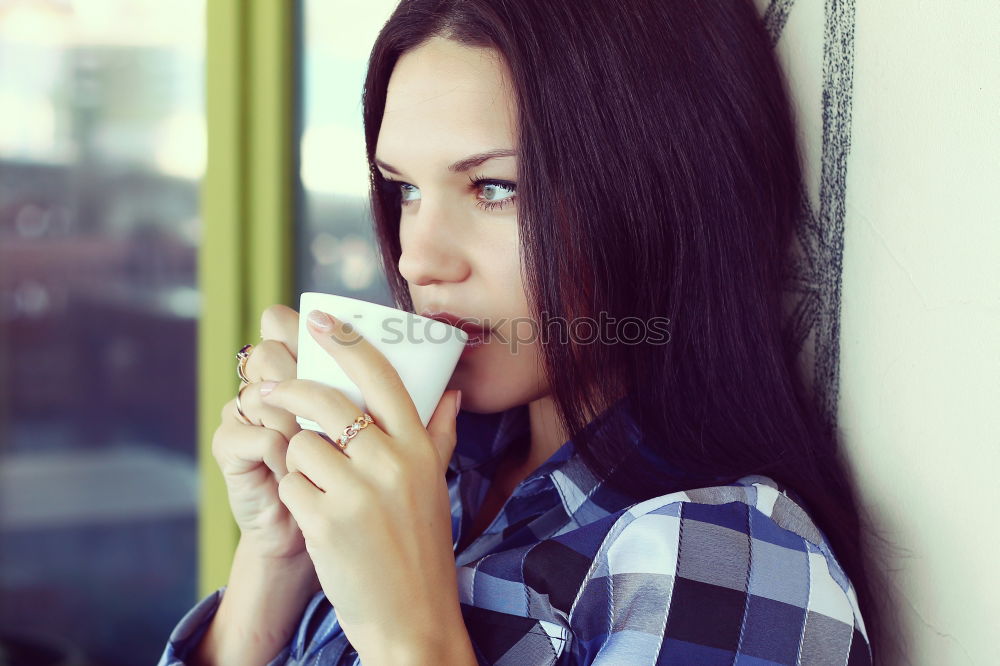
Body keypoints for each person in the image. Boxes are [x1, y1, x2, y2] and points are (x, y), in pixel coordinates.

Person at [159, 1, 887, 664]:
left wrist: (409, 636)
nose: (418, 258)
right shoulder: (429, 482)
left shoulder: (722, 557)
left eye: (494, 187)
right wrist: (275, 563)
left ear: (660, 192)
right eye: (405, 189)